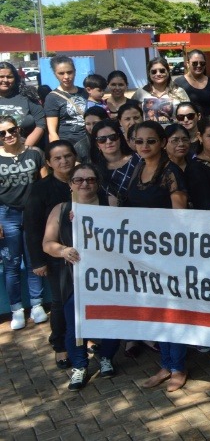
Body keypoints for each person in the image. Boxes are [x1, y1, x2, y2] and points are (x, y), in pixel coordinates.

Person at [122, 121, 190, 391]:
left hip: (168, 254)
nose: (145, 146)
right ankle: (165, 364)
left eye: (151, 141)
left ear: (162, 142)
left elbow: (180, 217)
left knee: (172, 311)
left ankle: (179, 368)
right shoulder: (138, 167)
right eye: (139, 141)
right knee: (155, 312)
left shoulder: (171, 172)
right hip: (143, 253)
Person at [42, 164, 122, 390]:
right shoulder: (61, 209)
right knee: (74, 324)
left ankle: (106, 356)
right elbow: (47, 243)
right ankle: (79, 365)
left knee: (111, 320)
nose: (85, 184)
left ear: (98, 182)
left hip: (108, 276)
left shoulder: (111, 203)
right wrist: (63, 251)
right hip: (74, 278)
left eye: (91, 179)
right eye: (78, 180)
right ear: (70, 184)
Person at [22, 140, 77, 368]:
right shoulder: (41, 188)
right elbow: (32, 227)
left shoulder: (86, 181)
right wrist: (38, 261)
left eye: (67, 156)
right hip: (56, 256)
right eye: (57, 158)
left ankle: (84, 338)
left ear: (75, 156)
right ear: (49, 163)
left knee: (82, 300)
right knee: (59, 301)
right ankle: (60, 345)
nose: (64, 161)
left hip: (84, 254)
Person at [0, 115, 47, 331]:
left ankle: (36, 304)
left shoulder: (34, 153)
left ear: (18, 129)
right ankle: (16, 308)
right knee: (11, 263)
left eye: (11, 130)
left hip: (33, 214)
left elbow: (45, 183)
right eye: (2, 133)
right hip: (6, 213)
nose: (8, 135)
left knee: (33, 260)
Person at [44, 55, 89, 155]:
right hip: (69, 147)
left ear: (75, 71)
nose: (66, 77)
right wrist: (61, 153)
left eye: (69, 72)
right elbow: (52, 131)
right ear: (55, 74)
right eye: (61, 73)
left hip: (89, 144)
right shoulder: (52, 98)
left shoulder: (85, 93)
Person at [134, 57, 189, 125]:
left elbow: (188, 114)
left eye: (162, 71)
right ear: (149, 74)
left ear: (168, 72)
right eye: (154, 72)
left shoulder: (179, 91)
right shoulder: (140, 92)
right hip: (148, 134)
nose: (158, 74)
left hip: (173, 133)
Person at [0, 62, 44, 147]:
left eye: (9, 77)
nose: (5, 80)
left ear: (15, 78)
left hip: (26, 150)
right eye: (1, 77)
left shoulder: (28, 96)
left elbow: (41, 124)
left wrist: (24, 149)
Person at [174, 49, 210, 116]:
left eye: (202, 63)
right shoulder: (178, 82)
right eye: (195, 63)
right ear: (187, 63)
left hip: (208, 123)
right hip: (186, 123)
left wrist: (209, 123)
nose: (199, 65)